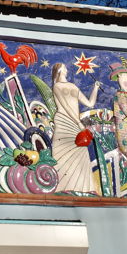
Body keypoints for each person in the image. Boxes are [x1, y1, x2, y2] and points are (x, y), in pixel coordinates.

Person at [51, 62, 101, 193]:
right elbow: (65, 106)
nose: (66, 69)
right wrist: (78, 123)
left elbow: (90, 103)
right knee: (63, 152)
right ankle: (61, 187)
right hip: (64, 121)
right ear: (59, 70)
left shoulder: (73, 86)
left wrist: (95, 88)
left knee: (80, 152)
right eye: (64, 67)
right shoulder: (57, 86)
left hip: (76, 122)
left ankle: (83, 188)